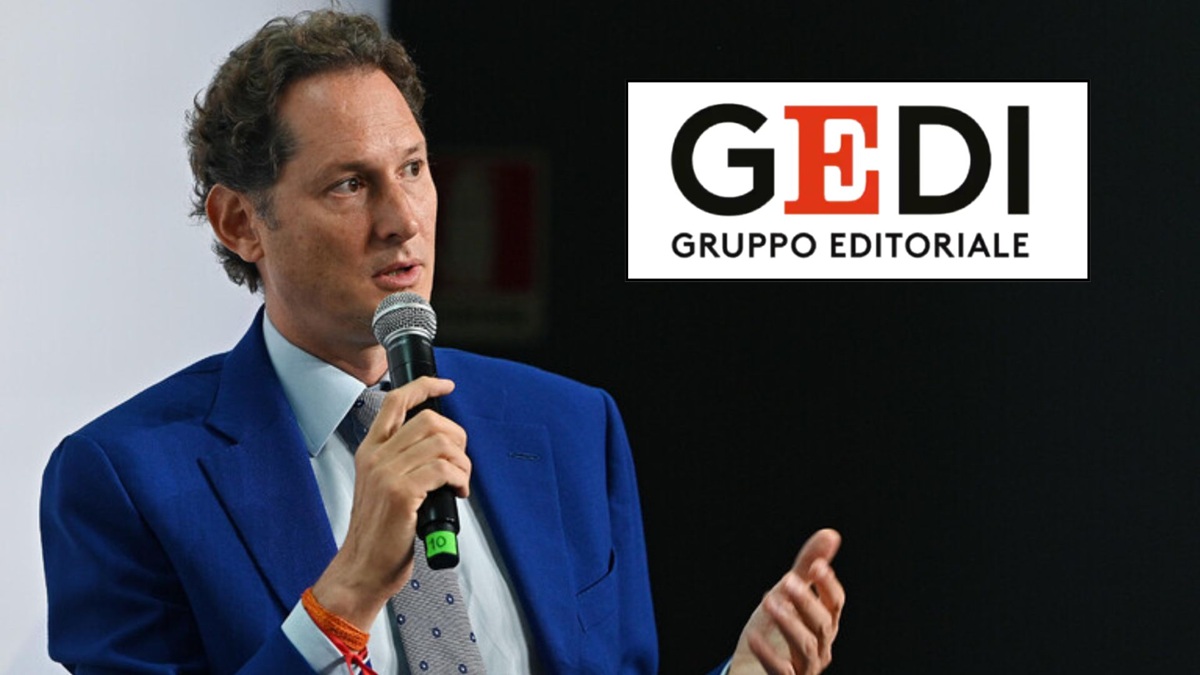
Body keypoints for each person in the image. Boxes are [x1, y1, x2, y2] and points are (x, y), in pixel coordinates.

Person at [40, 10, 844, 675]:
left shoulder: (570, 427)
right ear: (240, 222)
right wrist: (344, 597)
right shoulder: (126, 479)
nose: (403, 219)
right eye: (349, 184)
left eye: (413, 168)